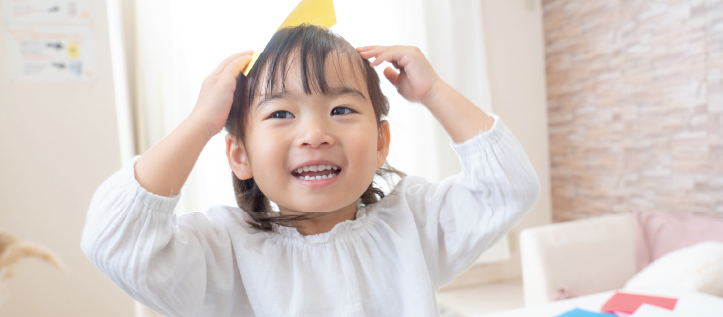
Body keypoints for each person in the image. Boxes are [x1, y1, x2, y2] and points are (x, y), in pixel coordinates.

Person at [81, 24, 540, 317]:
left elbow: (507, 187)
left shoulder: (412, 224)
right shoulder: (222, 252)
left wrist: (435, 91)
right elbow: (114, 240)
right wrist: (202, 122)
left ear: (381, 142)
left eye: (341, 108)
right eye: (281, 114)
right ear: (240, 156)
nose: (315, 133)